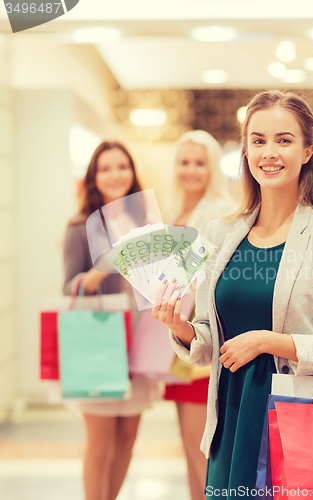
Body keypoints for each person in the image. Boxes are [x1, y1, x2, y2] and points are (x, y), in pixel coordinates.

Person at [151, 91, 313, 498]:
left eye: (284, 140)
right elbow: (207, 344)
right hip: (228, 424)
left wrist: (270, 342)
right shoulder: (220, 234)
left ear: (308, 150)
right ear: (245, 151)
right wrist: (179, 327)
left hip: (295, 419)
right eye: (258, 140)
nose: (269, 152)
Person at [63, 141, 157, 500]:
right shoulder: (81, 226)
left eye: (122, 167)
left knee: (128, 437)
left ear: (132, 173)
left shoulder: (145, 223)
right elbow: (70, 286)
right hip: (99, 342)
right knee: (100, 441)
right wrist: (100, 271)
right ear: (93, 177)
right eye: (105, 168)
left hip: (140, 342)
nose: (115, 175)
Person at [164, 130, 236, 500]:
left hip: (200, 337)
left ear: (212, 168)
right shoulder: (175, 210)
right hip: (176, 337)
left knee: (201, 450)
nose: (191, 170)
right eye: (185, 161)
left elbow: (211, 280)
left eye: (199, 162)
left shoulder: (219, 212)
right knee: (188, 446)